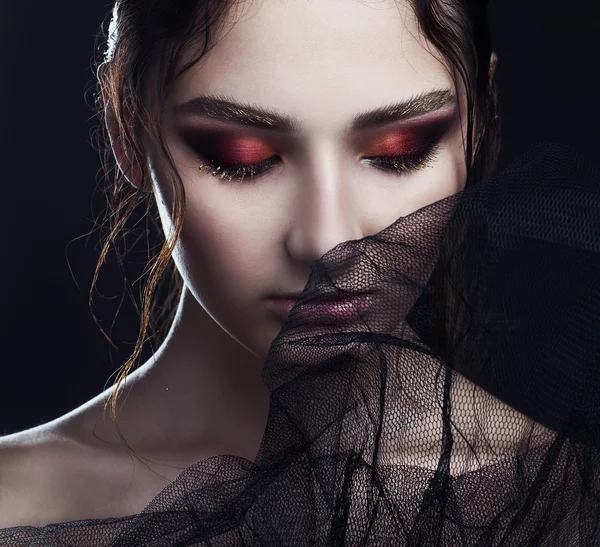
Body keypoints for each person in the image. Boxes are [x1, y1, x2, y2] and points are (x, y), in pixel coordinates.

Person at [4, 0, 597, 543]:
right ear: (126, 126)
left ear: (479, 123)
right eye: (244, 159)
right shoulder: (14, 504)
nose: (327, 240)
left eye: (398, 152)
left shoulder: (567, 501)